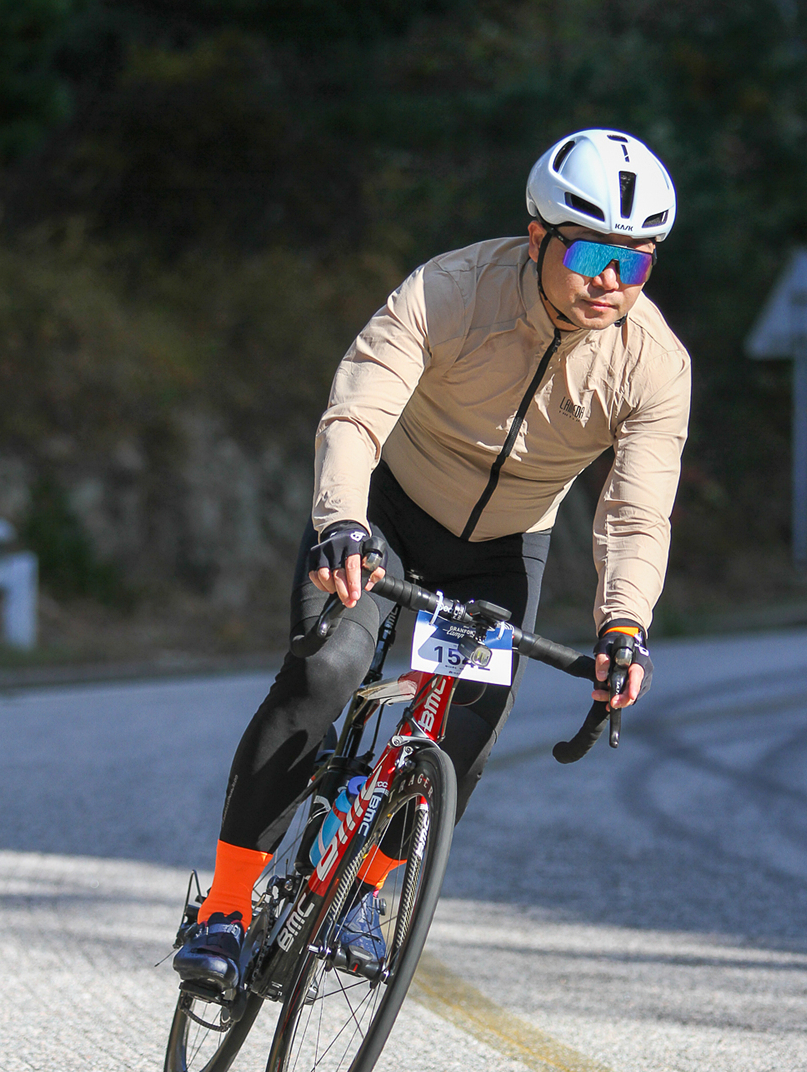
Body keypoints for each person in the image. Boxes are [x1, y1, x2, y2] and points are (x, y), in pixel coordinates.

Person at [175, 127, 691, 992]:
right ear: (538, 237)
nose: (612, 280)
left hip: (503, 550)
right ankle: (224, 909)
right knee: (327, 669)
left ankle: (362, 892)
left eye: (634, 261)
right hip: (382, 518)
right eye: (592, 253)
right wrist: (341, 520)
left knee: (467, 727)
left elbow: (636, 512)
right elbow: (357, 411)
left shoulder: (654, 365)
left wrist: (623, 625)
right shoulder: (451, 291)